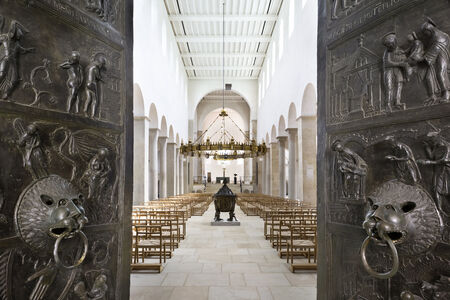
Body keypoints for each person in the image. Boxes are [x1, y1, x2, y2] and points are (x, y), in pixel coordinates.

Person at [0, 20, 34, 99]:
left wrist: (28, 50)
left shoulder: (17, 44)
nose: (20, 36)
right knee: (1, 74)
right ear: (14, 31)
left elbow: (22, 50)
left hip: (13, 62)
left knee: (15, 79)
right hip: (4, 59)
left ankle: (6, 94)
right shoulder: (4, 37)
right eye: (19, 34)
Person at [421, 18, 450, 104]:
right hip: (438, 58)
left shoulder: (439, 37)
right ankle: (437, 94)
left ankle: (446, 93)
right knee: (433, 75)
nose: (425, 35)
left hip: (443, 58)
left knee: (440, 73)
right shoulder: (437, 36)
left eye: (425, 33)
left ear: (429, 29)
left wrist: (422, 58)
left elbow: (434, 49)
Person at [382, 32, 412, 112]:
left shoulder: (400, 51)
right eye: (387, 45)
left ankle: (397, 102)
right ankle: (388, 104)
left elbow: (405, 63)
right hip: (389, 71)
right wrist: (399, 64)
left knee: (399, 85)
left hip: (398, 71)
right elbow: (387, 63)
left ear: (394, 42)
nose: (389, 46)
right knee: (389, 87)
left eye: (390, 44)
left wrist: (406, 76)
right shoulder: (387, 52)